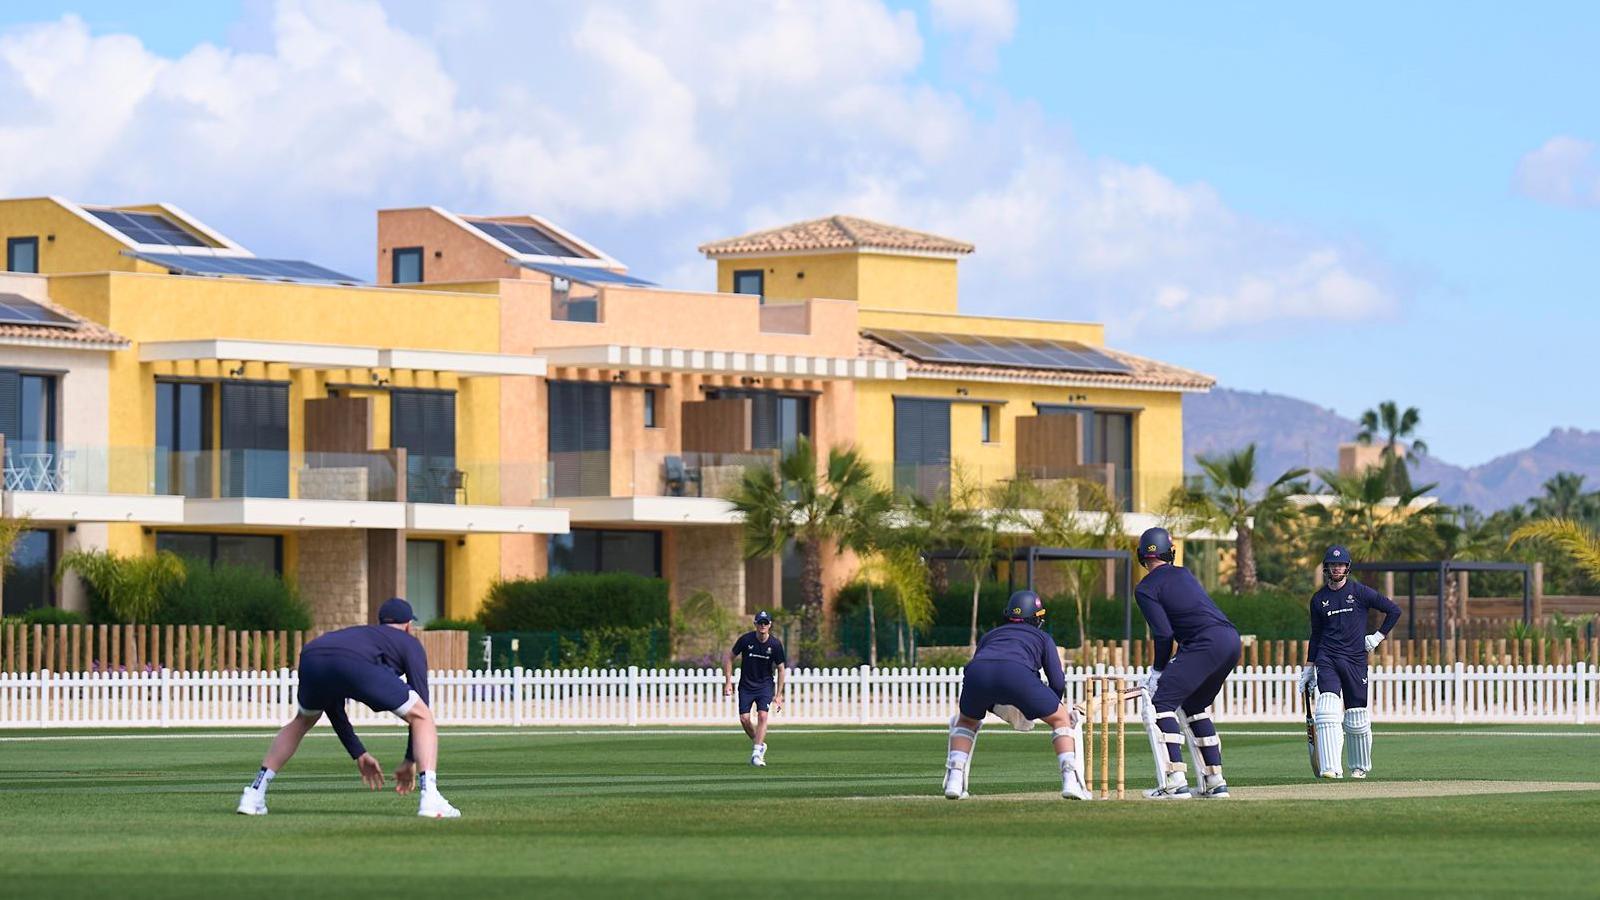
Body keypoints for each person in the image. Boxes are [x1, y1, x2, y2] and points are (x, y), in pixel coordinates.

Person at [236, 598, 460, 818]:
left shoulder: (363, 636)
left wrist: (358, 753)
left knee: (302, 721)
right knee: (422, 716)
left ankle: (254, 794)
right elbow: (421, 708)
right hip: (352, 661)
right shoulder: (409, 642)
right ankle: (430, 797)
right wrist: (410, 760)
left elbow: (332, 704)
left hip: (313, 654)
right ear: (409, 626)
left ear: (380, 622)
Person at [942, 590, 1092, 801]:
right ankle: (1070, 781)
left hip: (977, 673)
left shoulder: (990, 635)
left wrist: (997, 705)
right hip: (1017, 673)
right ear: (1036, 617)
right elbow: (1057, 681)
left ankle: (954, 781)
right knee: (1061, 720)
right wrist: (1052, 706)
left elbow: (988, 671)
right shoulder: (1042, 637)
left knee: (966, 721)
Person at [1134, 527, 1240, 800]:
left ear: (1142, 555)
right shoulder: (1183, 573)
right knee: (1193, 706)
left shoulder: (1145, 588)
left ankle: (1175, 782)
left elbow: (1163, 634)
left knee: (1161, 704)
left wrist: (1158, 671)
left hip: (1204, 643)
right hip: (1229, 640)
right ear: (1170, 552)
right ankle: (1215, 782)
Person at [1299, 545, 1402, 779]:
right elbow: (1316, 635)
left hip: (1355, 660)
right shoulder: (1319, 599)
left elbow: (1394, 611)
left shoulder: (1360, 592)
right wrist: (1309, 668)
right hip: (1327, 658)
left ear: (1347, 567)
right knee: (1326, 710)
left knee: (1356, 716)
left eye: (1340, 565)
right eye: (1332, 565)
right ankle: (1331, 768)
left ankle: (1359, 767)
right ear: (1326, 568)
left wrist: (1377, 637)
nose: (1336, 568)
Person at [723, 610, 787, 767]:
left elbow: (781, 669)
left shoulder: (775, 644)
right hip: (746, 686)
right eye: (760, 623)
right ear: (755, 624)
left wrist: (778, 694)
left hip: (765, 686)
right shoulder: (746, 640)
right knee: (744, 719)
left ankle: (756, 753)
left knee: (762, 716)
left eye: (765, 623)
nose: (762, 626)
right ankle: (759, 743)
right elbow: (729, 658)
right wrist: (728, 682)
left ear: (770, 625)